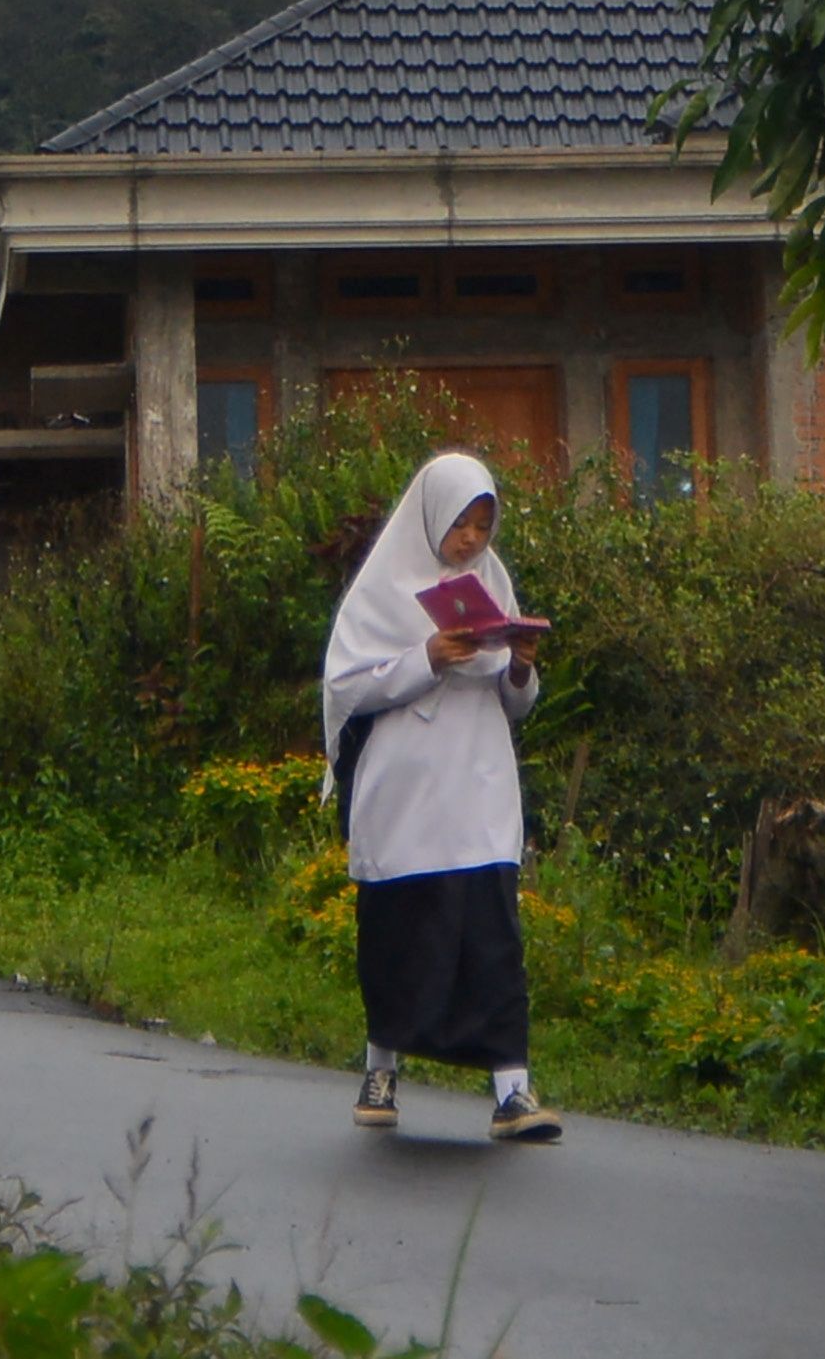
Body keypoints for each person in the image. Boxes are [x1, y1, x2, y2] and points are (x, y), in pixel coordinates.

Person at [321, 447, 561, 1143]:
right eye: (462, 524)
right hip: (406, 791)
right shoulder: (382, 591)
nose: (471, 541)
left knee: (491, 935)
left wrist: (517, 666)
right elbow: (346, 688)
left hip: (478, 788)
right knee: (400, 933)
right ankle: (381, 1069)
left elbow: (514, 704)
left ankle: (512, 1088)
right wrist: (426, 658)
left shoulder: (492, 580)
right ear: (433, 515)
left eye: (484, 526)